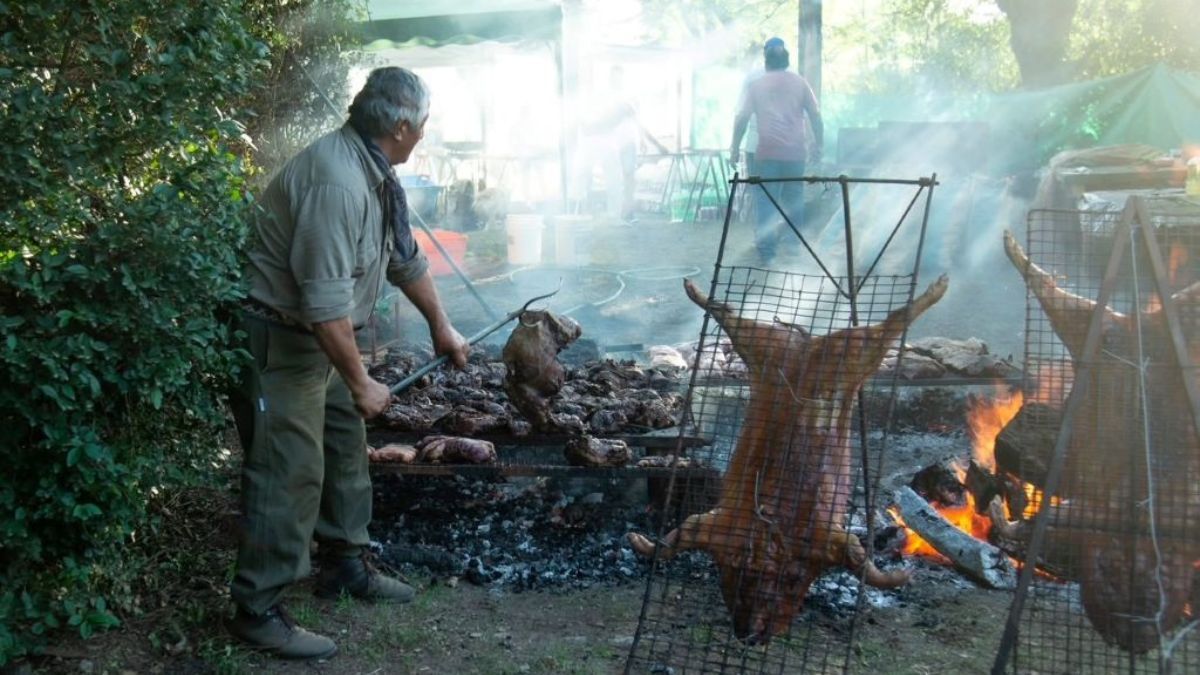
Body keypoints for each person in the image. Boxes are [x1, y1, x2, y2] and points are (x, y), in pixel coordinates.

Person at [225, 66, 469, 660]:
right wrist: (361, 379)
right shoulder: (335, 181)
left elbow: (405, 259)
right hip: (279, 340)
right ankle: (255, 610)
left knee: (343, 444)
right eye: (425, 125)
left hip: (320, 339)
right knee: (289, 470)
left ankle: (345, 564)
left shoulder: (377, 172)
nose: (426, 135)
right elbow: (322, 302)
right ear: (404, 124)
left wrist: (441, 325)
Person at [729, 37, 824, 264]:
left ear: (766, 60)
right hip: (795, 153)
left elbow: (741, 118)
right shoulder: (800, 83)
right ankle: (792, 247)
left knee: (766, 200)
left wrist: (734, 147)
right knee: (794, 199)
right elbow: (816, 115)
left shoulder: (756, 85)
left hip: (767, 152)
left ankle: (767, 252)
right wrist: (819, 144)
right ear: (787, 59)